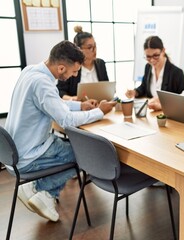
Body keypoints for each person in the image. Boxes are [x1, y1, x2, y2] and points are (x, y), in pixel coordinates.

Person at [5, 40, 116, 222]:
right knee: (86, 155)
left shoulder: (30, 71)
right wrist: (99, 112)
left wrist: (81, 105)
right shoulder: (43, 84)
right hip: (28, 156)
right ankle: (43, 190)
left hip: (14, 151)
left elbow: (53, 103)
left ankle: (44, 192)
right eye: (74, 72)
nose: (75, 76)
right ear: (62, 68)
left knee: (74, 147)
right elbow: (66, 120)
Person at [125, 35, 184, 110]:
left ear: (163, 51)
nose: (152, 60)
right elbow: (144, 87)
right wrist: (135, 92)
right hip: (151, 112)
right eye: (148, 57)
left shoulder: (177, 73)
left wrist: (162, 104)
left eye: (156, 55)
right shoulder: (148, 67)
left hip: (168, 114)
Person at [57, 26, 109, 101]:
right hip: (78, 107)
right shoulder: (70, 66)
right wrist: (72, 98)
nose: (94, 50)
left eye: (95, 46)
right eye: (89, 47)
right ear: (79, 49)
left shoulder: (100, 63)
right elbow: (60, 91)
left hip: (99, 105)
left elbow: (106, 88)